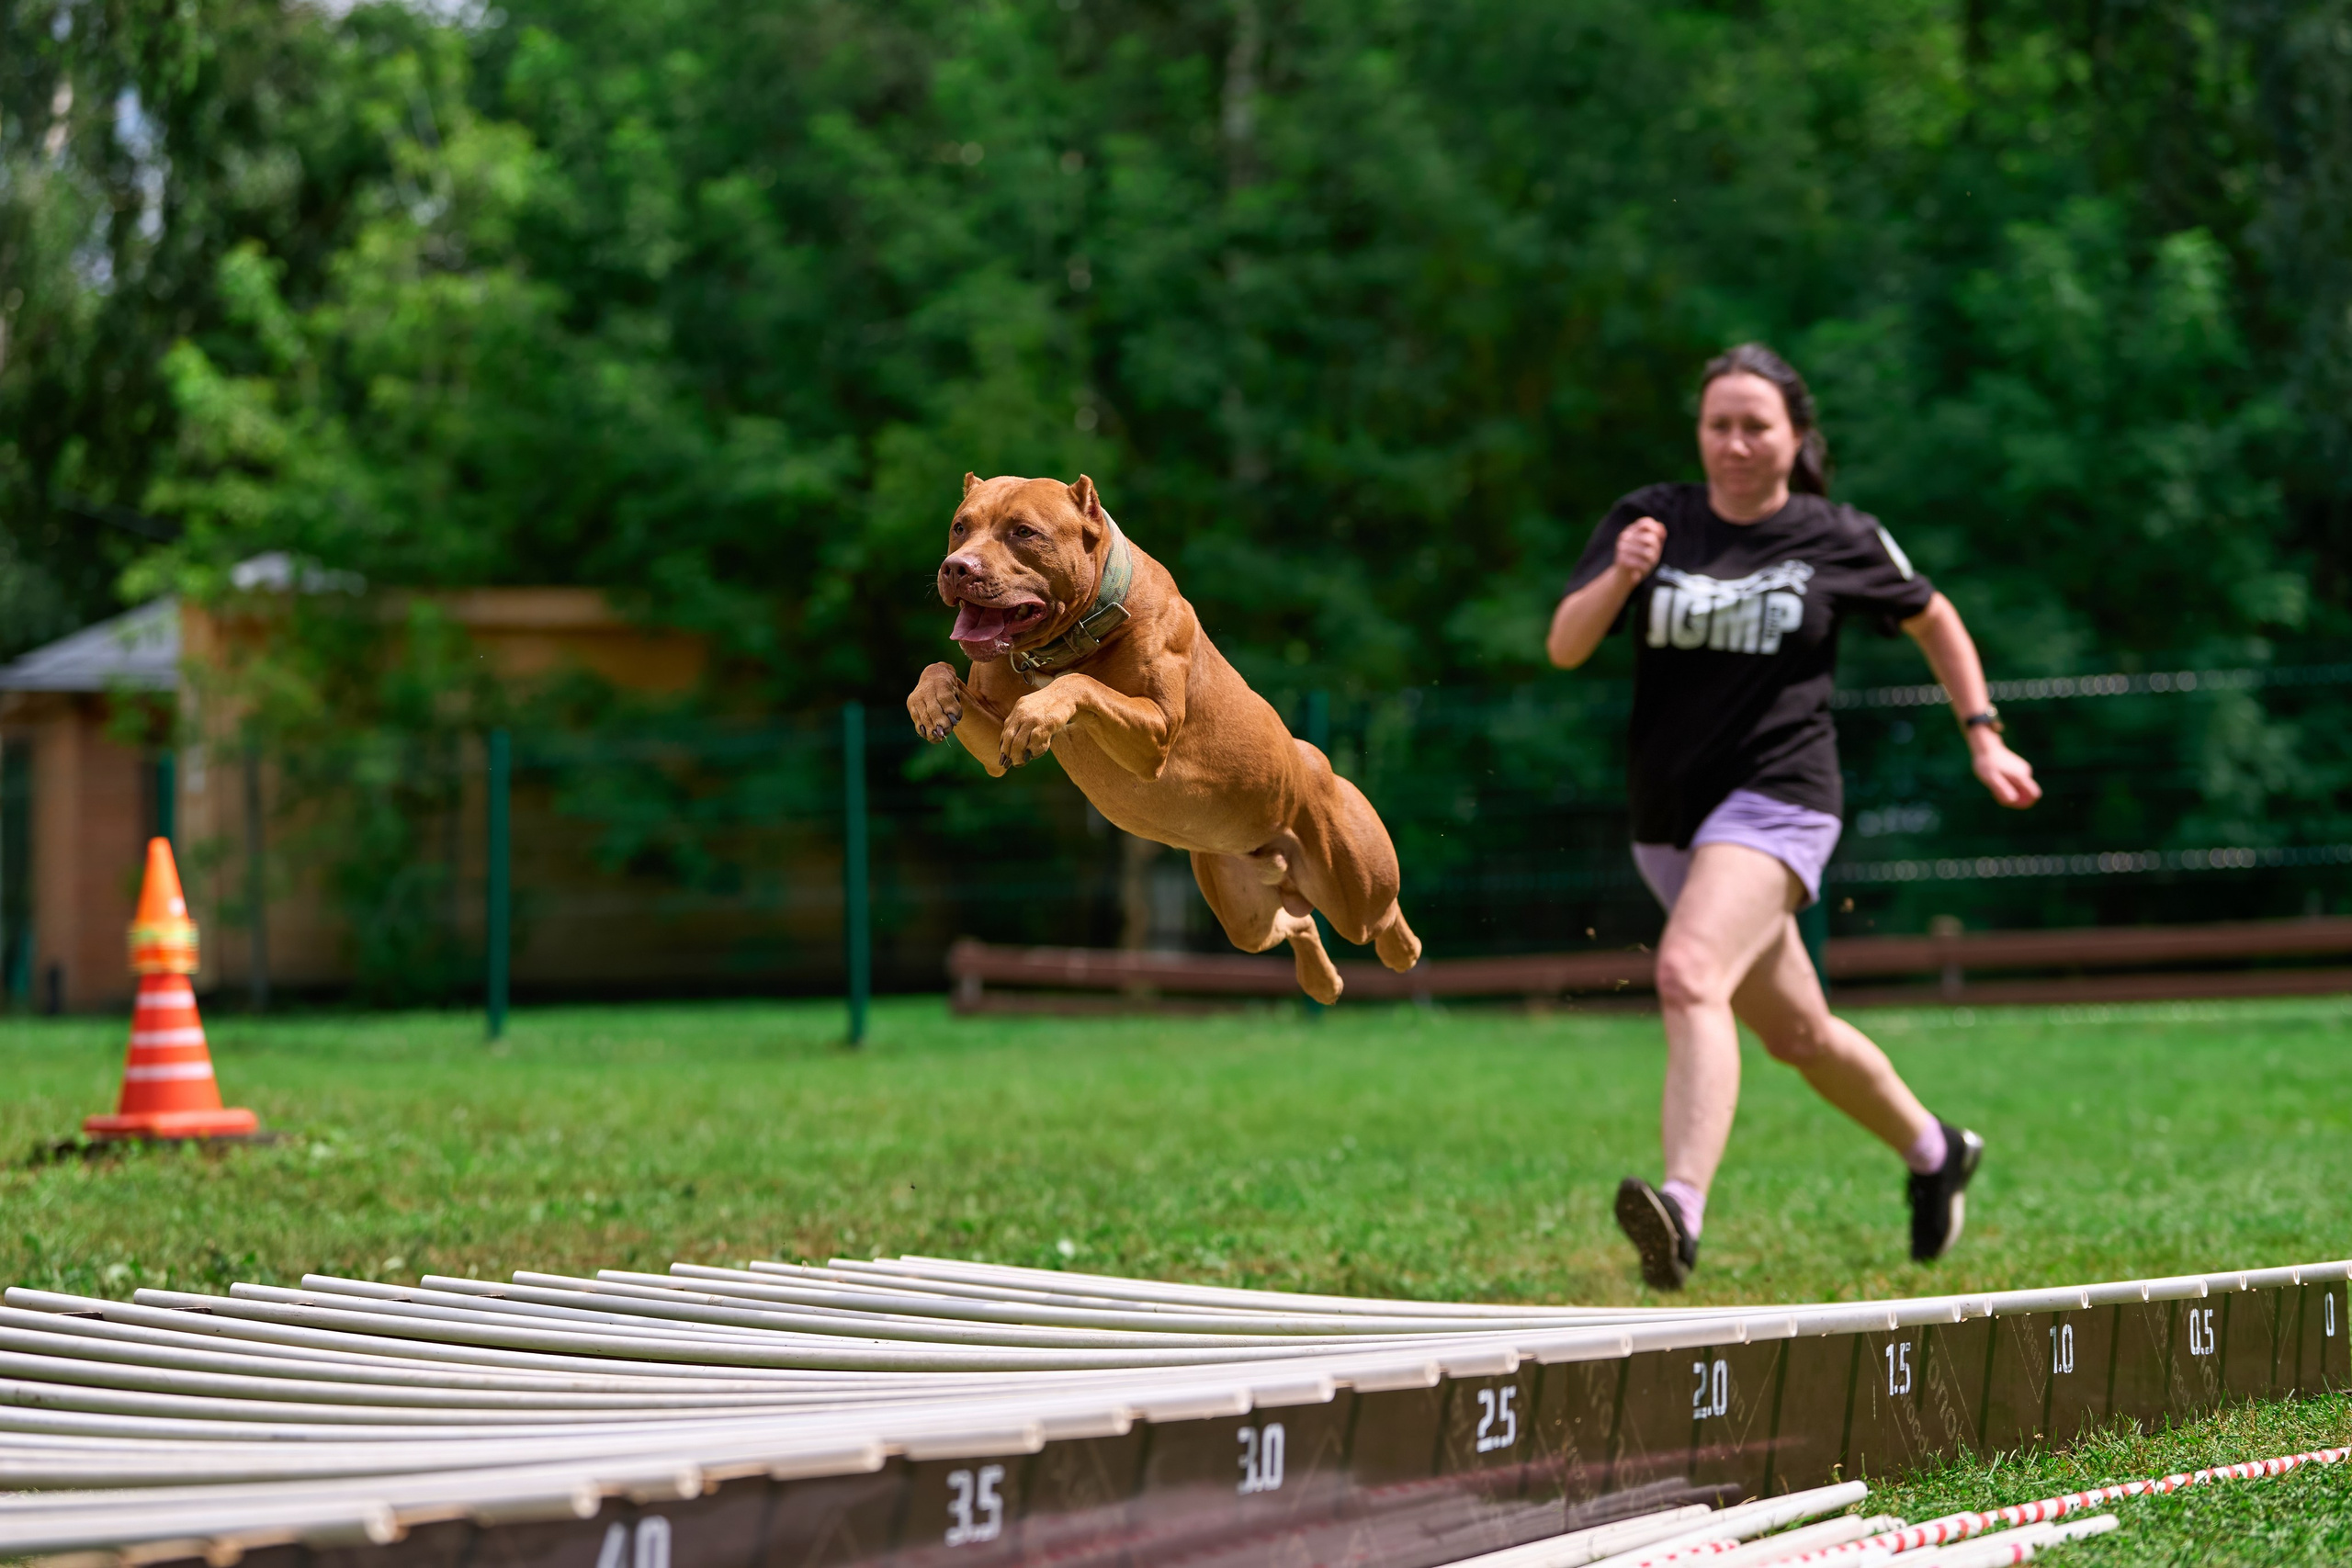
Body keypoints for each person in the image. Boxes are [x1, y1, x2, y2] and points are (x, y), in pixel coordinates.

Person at [1546, 344, 2041, 1290]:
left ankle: (1679, 1214)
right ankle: (1936, 1151)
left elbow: (1935, 616)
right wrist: (1619, 574)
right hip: (1668, 820)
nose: (1733, 443)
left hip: (1782, 798)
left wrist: (1982, 735)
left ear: (1795, 438)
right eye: (1717, 425)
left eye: (1754, 425)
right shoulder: (1651, 520)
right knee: (1798, 1035)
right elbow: (1565, 646)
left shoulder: (1837, 534)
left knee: (1689, 975)